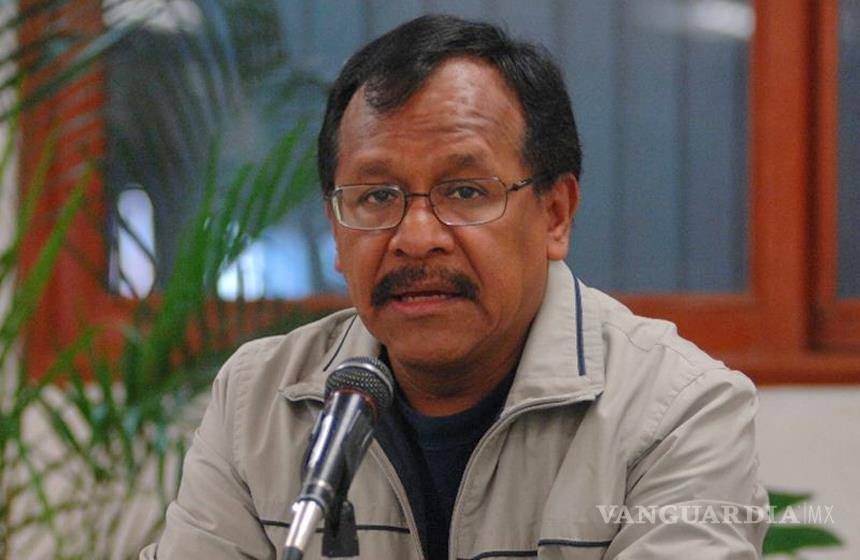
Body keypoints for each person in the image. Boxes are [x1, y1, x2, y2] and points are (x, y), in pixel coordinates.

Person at [141, 14, 768, 560]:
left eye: (465, 191)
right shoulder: (258, 404)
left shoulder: (675, 412)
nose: (416, 237)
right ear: (335, 228)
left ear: (555, 215)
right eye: (376, 196)